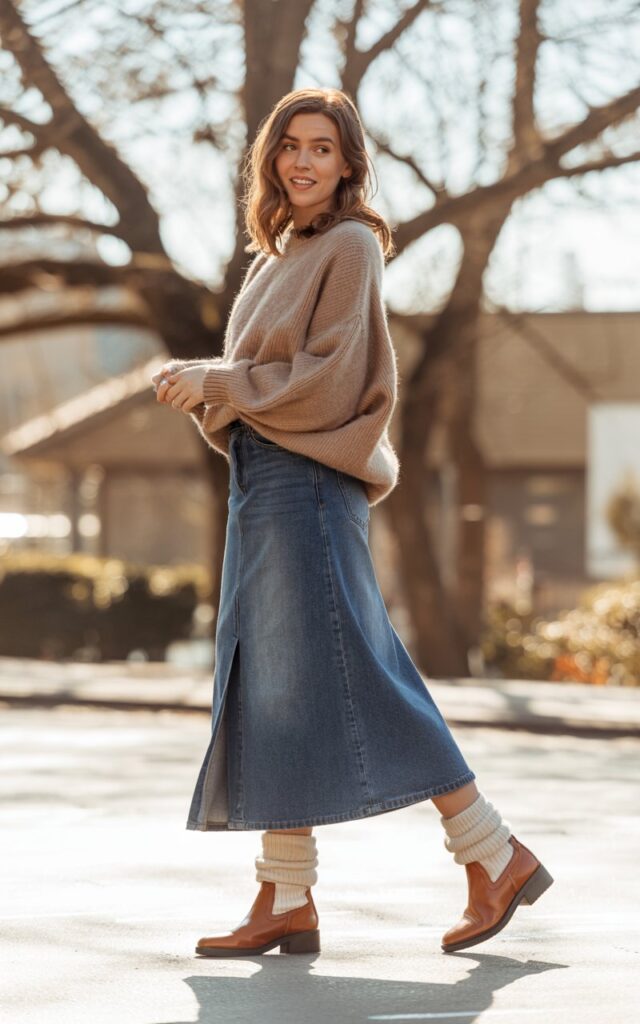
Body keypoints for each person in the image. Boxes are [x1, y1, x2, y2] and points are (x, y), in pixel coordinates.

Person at [151, 87, 553, 957]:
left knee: (358, 671)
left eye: (321, 149)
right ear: (271, 158)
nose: (302, 161)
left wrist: (218, 382)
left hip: (309, 487)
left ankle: (495, 853)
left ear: (348, 163)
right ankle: (285, 894)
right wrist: (204, 388)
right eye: (290, 146)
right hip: (263, 485)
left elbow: (331, 381)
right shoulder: (273, 259)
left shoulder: (350, 246)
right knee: (269, 680)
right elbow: (260, 390)